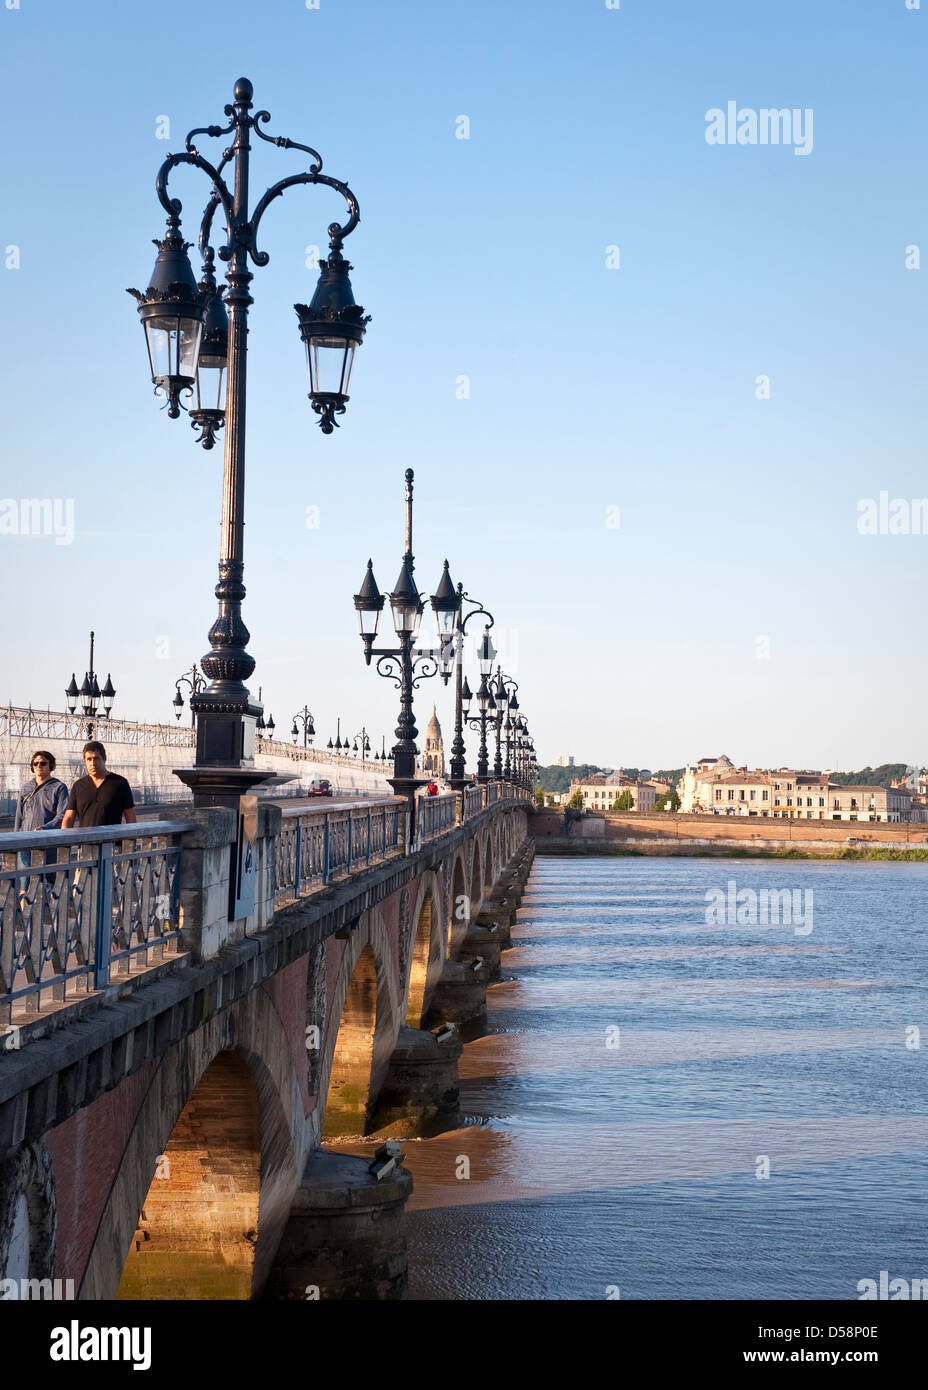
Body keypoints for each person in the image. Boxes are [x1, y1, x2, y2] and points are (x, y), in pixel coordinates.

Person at [14, 750, 69, 913]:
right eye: (35, 763)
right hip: (25, 841)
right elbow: (19, 816)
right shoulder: (26, 788)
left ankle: (51, 916)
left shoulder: (59, 787)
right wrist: (15, 838)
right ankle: (25, 917)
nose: (39, 766)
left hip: (48, 842)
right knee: (24, 882)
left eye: (43, 763)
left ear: (50, 765)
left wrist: (46, 828)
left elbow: (63, 814)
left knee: (50, 881)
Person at [62, 742, 137, 829]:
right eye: (89, 759)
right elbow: (69, 817)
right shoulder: (78, 786)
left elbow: (130, 816)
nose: (93, 763)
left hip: (112, 837)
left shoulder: (120, 783)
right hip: (85, 837)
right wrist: (64, 835)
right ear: (85, 761)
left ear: (104, 759)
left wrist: (131, 835)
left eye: (96, 758)